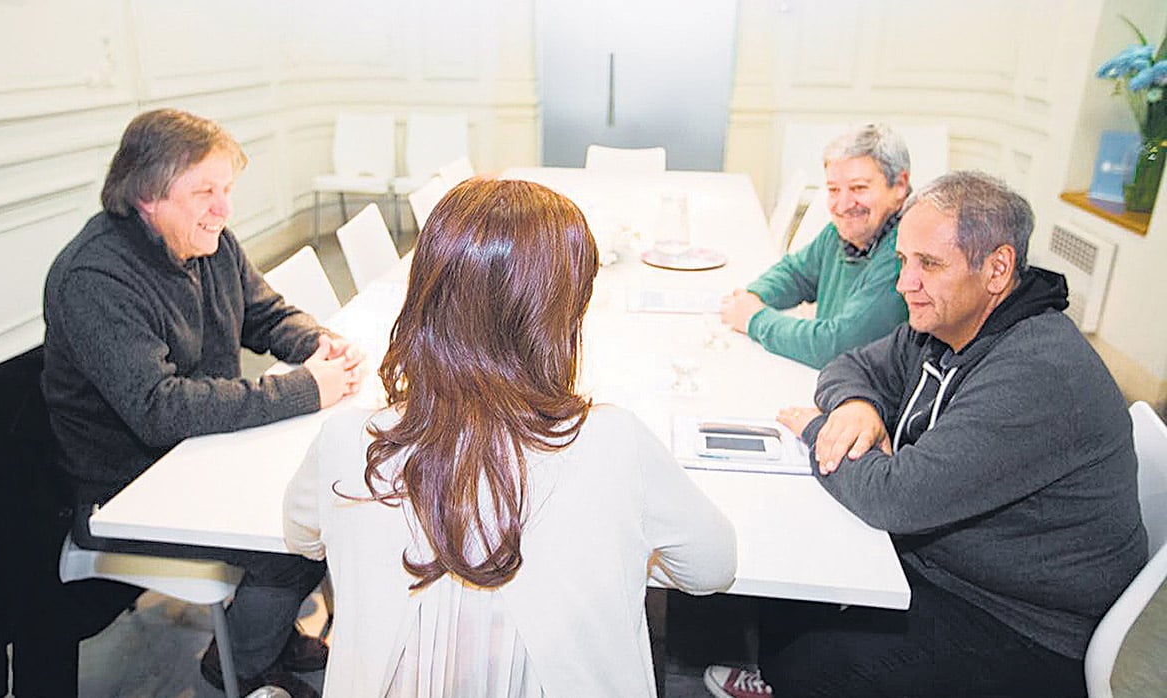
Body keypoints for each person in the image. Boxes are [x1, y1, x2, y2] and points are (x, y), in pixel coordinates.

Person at [283, 178, 738, 697]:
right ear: (561, 315)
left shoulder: (349, 440)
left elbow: (301, 538)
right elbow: (712, 567)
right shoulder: (614, 443)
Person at [705, 171, 1148, 698]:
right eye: (903, 260)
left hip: (1024, 625)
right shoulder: (951, 321)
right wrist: (857, 406)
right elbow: (850, 365)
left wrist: (819, 428)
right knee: (786, 593)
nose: (904, 284)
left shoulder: (1037, 371)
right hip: (953, 566)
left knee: (805, 662)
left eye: (929, 264)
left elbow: (896, 497)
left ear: (997, 269)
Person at [42, 108, 366, 698]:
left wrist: (320, 343)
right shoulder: (95, 278)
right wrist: (304, 388)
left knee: (325, 498)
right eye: (205, 192)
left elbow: (266, 313)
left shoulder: (207, 241)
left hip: (200, 453)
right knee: (297, 535)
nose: (223, 208)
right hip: (131, 488)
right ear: (147, 197)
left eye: (227, 189)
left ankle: (262, 633)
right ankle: (239, 659)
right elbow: (159, 408)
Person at [719, 123, 910, 369]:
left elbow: (836, 345)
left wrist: (754, 319)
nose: (843, 205)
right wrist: (752, 297)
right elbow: (796, 274)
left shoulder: (906, 252)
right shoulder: (844, 232)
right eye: (833, 190)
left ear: (900, 186)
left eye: (859, 188)